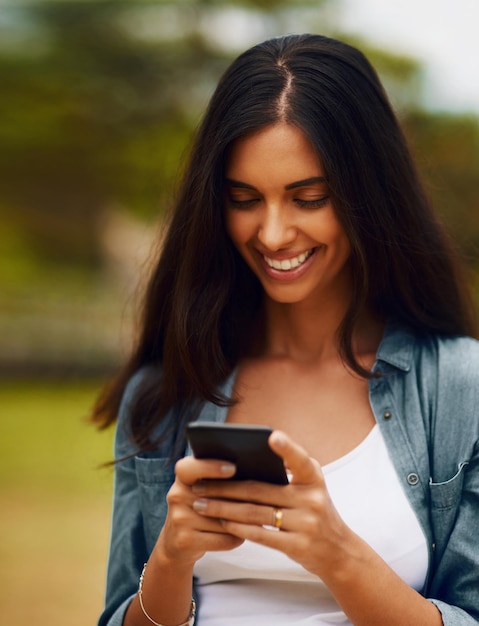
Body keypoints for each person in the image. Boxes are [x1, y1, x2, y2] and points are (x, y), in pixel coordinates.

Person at [94, 33, 479, 626]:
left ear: (368, 196)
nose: (272, 234)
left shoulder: (460, 389)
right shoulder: (163, 395)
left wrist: (336, 552)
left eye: (309, 198)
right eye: (245, 199)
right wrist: (170, 558)